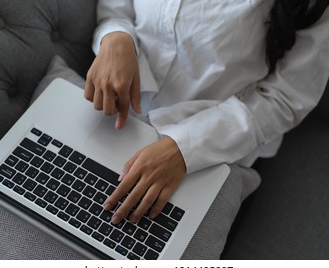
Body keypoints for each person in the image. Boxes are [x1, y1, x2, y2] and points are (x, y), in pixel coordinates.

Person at [84, 0, 329, 226]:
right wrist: (115, 35)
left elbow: (286, 97)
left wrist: (184, 149)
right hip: (112, 113)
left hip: (213, 147)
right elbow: (117, 7)